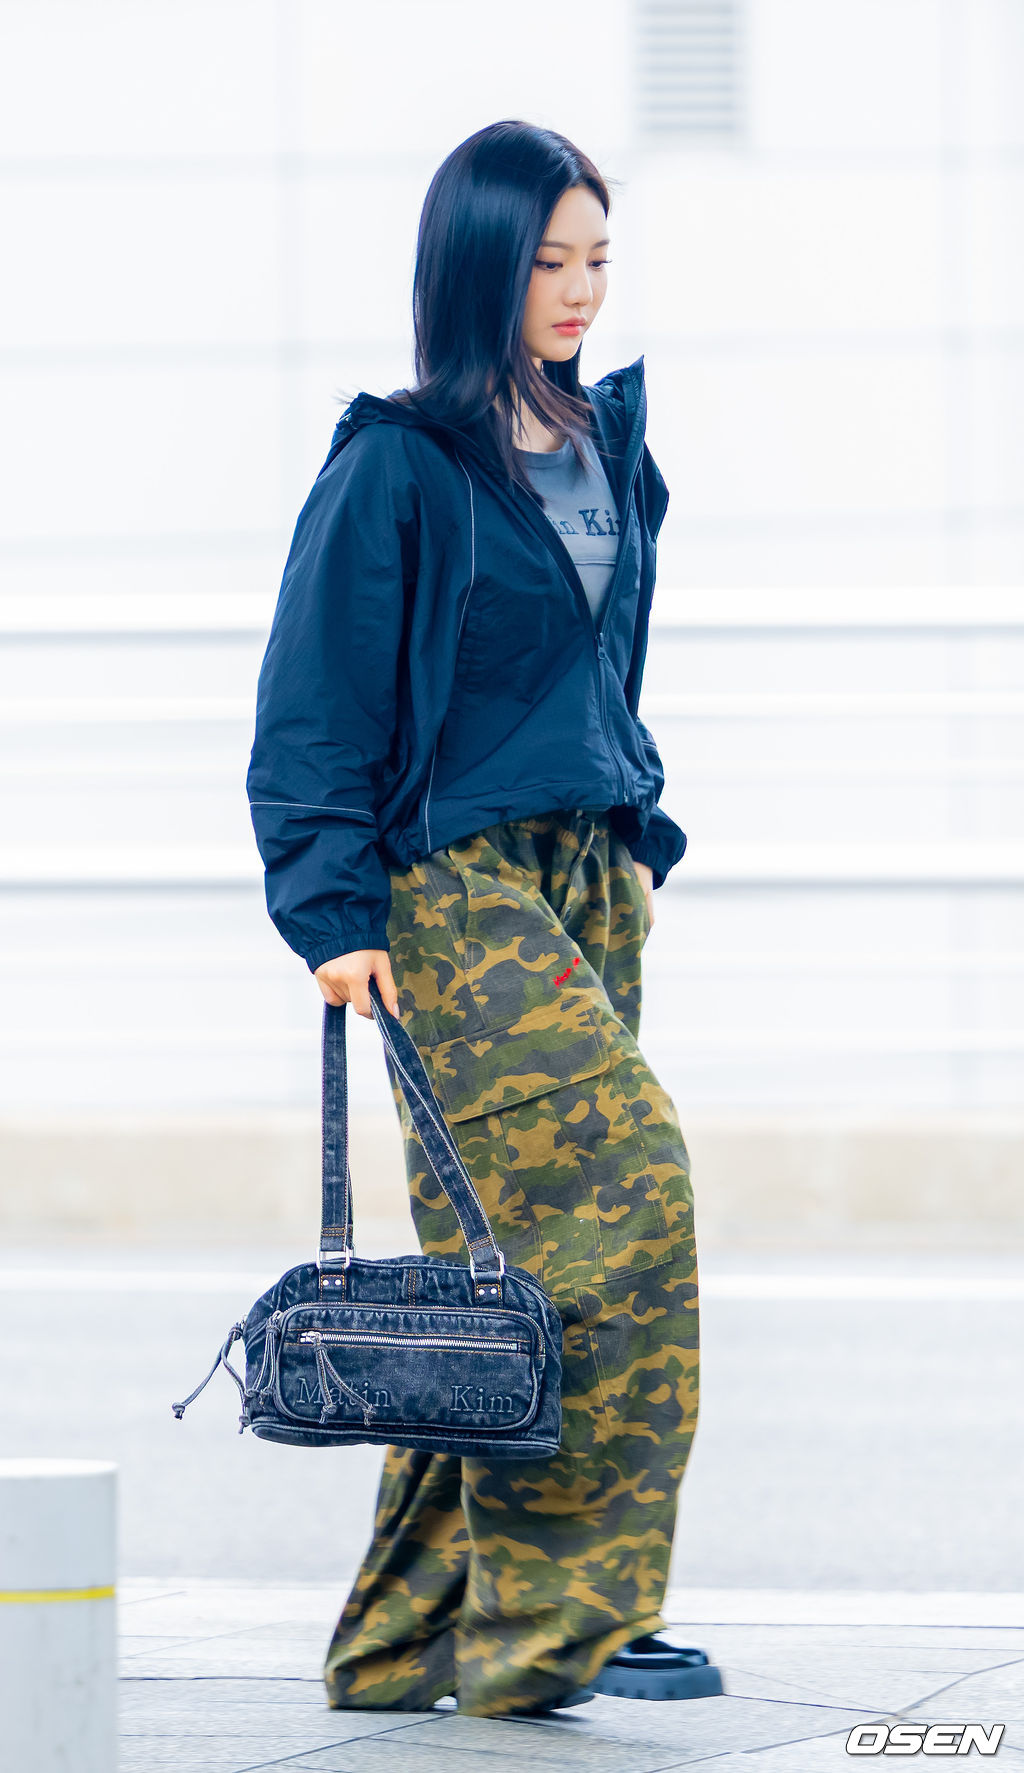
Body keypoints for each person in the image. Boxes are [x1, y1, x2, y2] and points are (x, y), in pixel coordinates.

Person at [246, 119, 721, 1720]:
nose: (581, 291)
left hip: (583, 877)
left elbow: (601, 666)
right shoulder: (397, 465)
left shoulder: (602, 443)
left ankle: (409, 1639)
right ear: (478, 270)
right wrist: (329, 910)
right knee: (628, 1198)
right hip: (448, 890)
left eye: (598, 259)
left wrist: (635, 825)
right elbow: (312, 707)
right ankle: (559, 1623)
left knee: (501, 1265)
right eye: (549, 263)